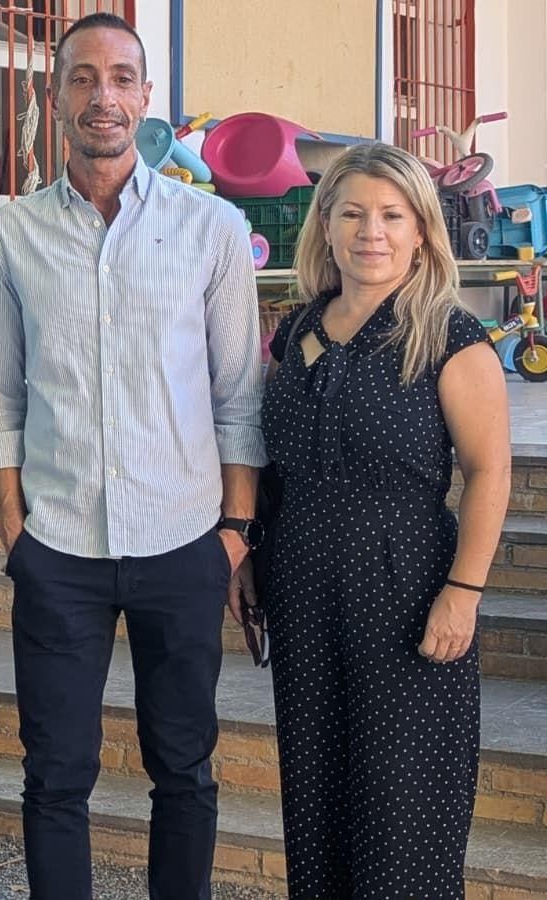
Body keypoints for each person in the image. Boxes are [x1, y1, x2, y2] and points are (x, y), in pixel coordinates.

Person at [0, 13, 267, 899]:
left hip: (183, 539)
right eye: (83, 77)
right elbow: (0, 396)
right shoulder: (12, 237)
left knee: (184, 769)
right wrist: (16, 528)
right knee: (55, 776)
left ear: (146, 99)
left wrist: (235, 530)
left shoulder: (210, 229)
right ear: (52, 95)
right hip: (58, 547)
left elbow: (238, 393)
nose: (103, 95)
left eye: (121, 77)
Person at [256, 142, 510, 898]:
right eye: (354, 213)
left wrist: (464, 591)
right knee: (317, 797)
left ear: (421, 231)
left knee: (404, 810)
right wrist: (249, 557)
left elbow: (491, 471)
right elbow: (273, 462)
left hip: (406, 593)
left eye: (392, 215)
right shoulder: (293, 332)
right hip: (303, 592)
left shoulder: (449, 338)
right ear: (325, 226)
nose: (373, 231)